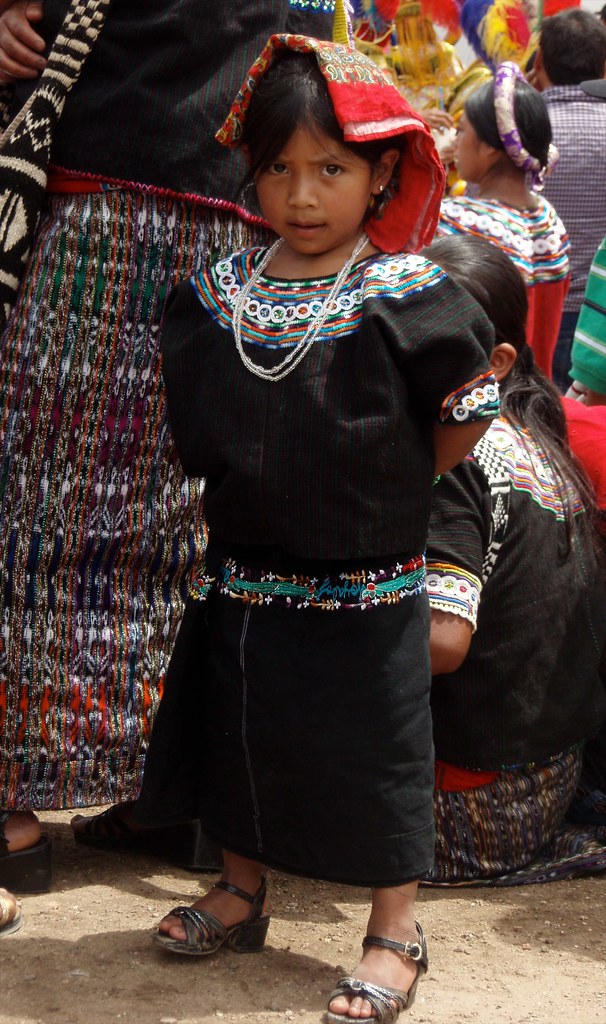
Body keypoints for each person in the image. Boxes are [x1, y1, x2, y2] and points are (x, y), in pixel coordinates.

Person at [146, 34, 499, 1022]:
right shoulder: (216, 296)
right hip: (246, 575)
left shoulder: (409, 295)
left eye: (330, 170)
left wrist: (401, 475)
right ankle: (242, 888)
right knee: (242, 733)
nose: (301, 197)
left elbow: (471, 405)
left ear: (383, 170)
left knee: (379, 754)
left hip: (371, 583)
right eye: (278, 171)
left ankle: (393, 931)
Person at [0, 0, 337, 893]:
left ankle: (49, 798)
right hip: (228, 217)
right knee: (153, 517)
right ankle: (156, 792)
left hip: (134, 203)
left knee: (60, 505)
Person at [418, 233, 606, 886]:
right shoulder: (534, 437)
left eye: (428, 345)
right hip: (543, 790)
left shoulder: (460, 457)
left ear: (494, 362)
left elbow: (441, 644)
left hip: (465, 812)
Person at [438, 62, 569, 379]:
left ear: (489, 149)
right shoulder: (548, 219)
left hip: (477, 400)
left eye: (462, 130)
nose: (455, 142)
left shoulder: (458, 221)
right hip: (533, 393)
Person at [531, 8, 606, 391]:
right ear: (602, 64)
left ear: (539, 60)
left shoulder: (519, 130)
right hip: (600, 319)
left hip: (537, 309)